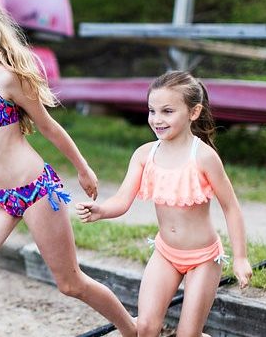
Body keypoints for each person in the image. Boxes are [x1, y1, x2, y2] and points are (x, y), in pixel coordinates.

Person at [0, 0, 138, 337]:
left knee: (70, 283)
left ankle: (133, 330)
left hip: (35, 191)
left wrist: (82, 168)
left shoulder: (5, 78)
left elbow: (47, 126)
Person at [76, 70, 253, 337]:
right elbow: (122, 200)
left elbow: (231, 207)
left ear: (194, 112)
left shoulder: (204, 157)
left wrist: (240, 258)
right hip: (166, 253)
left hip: (203, 259)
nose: (157, 119)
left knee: (187, 334)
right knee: (145, 327)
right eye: (152, 111)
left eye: (167, 111)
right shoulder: (145, 154)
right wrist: (102, 210)